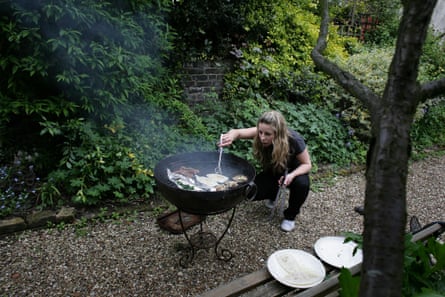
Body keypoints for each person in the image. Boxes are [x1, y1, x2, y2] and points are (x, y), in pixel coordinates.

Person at [220, 110, 312, 232]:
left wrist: (291, 175)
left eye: (268, 134)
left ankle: (290, 216)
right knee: (250, 193)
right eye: (260, 132)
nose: (262, 137)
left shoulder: (294, 140)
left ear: (278, 133)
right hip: (274, 171)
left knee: (302, 185)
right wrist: (231, 136)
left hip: (295, 171)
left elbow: (307, 164)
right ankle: (273, 194)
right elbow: (237, 132)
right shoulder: (261, 132)